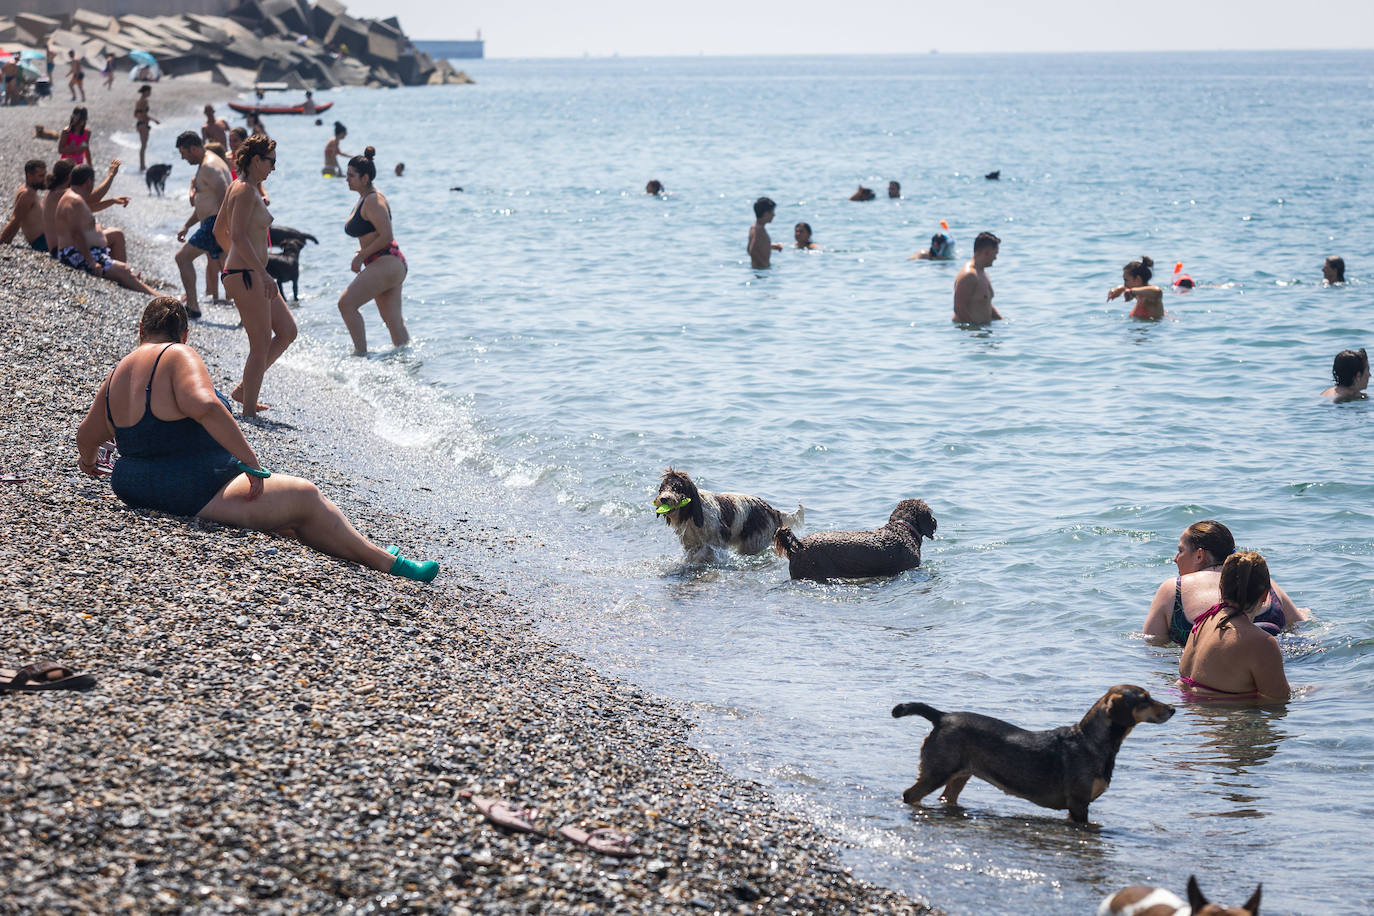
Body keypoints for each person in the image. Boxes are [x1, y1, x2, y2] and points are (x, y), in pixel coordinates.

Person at [75, 297, 438, 582]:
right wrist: (251, 462)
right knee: (306, 496)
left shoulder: (117, 374)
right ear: (184, 334)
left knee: (290, 524)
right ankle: (389, 563)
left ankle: (364, 547)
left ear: (141, 328)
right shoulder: (178, 355)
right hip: (190, 488)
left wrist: (89, 463)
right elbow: (206, 406)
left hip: (134, 485)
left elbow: (87, 437)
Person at [213, 135, 296, 419]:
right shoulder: (245, 190)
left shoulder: (238, 186)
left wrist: (235, 263)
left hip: (246, 272)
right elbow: (234, 234)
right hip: (249, 275)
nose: (274, 167)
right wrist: (256, 272)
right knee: (259, 344)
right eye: (271, 161)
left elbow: (218, 232)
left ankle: (242, 392)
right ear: (257, 160)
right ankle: (249, 410)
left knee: (287, 331)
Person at [1143, 520, 1310, 647]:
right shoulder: (1260, 580)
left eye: (1180, 551)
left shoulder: (1174, 588)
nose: (1175, 558)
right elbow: (1299, 624)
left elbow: (1152, 643)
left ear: (1199, 555)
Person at [1178, 552, 1290, 700]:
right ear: (1265, 595)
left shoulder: (1203, 621)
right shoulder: (1262, 643)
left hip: (1184, 708)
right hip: (1220, 715)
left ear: (1221, 589)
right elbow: (1279, 701)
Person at [339, 146, 411, 354]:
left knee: (346, 304)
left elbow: (387, 235)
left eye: (351, 176)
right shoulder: (364, 197)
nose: (347, 180)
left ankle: (360, 356)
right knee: (393, 322)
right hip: (385, 262)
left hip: (388, 261)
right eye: (347, 175)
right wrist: (361, 254)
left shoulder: (373, 200)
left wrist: (361, 255)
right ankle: (407, 363)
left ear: (365, 177)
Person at [54, 164, 157, 294]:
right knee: (124, 270)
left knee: (117, 237)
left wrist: (112, 200)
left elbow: (91, 206)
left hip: (79, 250)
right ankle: (162, 297)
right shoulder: (75, 201)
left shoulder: (74, 197)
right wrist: (92, 263)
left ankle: (126, 278)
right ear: (88, 182)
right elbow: (76, 235)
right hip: (73, 254)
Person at [173, 132, 232, 319]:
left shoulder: (208, 166)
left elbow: (224, 194)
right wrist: (187, 225)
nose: (183, 158)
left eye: (184, 153)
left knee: (182, 258)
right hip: (213, 222)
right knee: (232, 268)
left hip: (215, 224)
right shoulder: (210, 161)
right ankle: (246, 316)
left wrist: (223, 227)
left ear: (193, 149)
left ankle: (193, 307)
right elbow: (206, 202)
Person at [953, 232, 1002, 323]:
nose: (995, 258)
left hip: (981, 331)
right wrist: (974, 329)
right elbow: (959, 308)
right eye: (995, 254)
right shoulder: (969, 275)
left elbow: (984, 302)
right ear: (987, 252)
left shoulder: (982, 273)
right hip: (968, 334)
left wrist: (1001, 320)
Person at [1, 159, 49, 251]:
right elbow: (15, 220)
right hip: (41, 242)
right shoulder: (27, 194)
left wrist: (8, 241)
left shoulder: (30, 191)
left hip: (45, 239)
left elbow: (19, 219)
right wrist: (2, 241)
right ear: (29, 176)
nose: (44, 179)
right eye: (41, 176)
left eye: (45, 174)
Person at [1107, 255, 1164, 320]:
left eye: (1126, 280)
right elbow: (1131, 289)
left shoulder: (1150, 298)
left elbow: (1157, 291)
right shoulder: (1139, 294)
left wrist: (1131, 291)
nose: (1125, 284)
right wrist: (1120, 288)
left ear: (1137, 279)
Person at [747, 197, 782, 269]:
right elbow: (752, 250)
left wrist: (770, 246)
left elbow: (754, 247)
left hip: (759, 268)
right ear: (766, 213)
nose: (774, 215)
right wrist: (764, 265)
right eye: (772, 212)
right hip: (761, 269)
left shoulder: (755, 227)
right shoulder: (759, 230)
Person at [134, 85, 158, 172]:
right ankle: (142, 166)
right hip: (143, 124)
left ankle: (142, 165)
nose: (150, 93)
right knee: (144, 146)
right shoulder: (144, 101)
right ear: (145, 92)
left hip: (140, 124)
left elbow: (135, 114)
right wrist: (154, 120)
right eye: (149, 91)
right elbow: (144, 115)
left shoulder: (138, 101)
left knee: (143, 146)